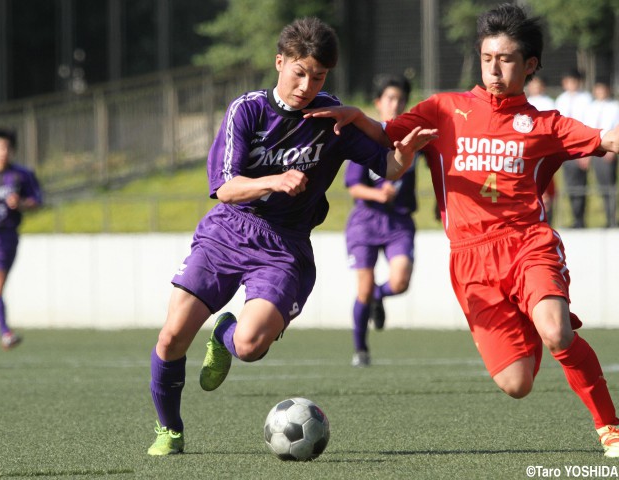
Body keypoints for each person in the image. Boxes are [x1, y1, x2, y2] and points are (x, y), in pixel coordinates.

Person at [306, 3, 619, 457]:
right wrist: (354, 116)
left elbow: (606, 139)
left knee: (557, 333)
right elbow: (387, 134)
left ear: (529, 65)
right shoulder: (445, 109)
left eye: (507, 59)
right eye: (488, 57)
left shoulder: (544, 125)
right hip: (471, 261)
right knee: (516, 384)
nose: (494, 68)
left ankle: (609, 427)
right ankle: (536, 320)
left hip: (528, 245)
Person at [147, 17, 437, 456]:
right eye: (299, 72)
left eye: (317, 76)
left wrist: (404, 153)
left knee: (249, 345)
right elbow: (224, 187)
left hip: (283, 247)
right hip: (228, 230)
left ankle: (225, 331)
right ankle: (170, 430)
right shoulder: (247, 109)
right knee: (171, 338)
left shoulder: (330, 117)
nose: (306, 84)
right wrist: (274, 181)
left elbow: (389, 167)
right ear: (280, 62)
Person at [345, 75, 416, 367]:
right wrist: (378, 194)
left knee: (399, 282)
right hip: (365, 222)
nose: (395, 104)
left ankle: (377, 297)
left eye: (400, 99)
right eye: (390, 98)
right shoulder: (365, 139)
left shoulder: (413, 136)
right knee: (363, 287)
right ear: (378, 102)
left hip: (398, 222)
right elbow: (353, 187)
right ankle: (361, 349)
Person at [0, 128, 42, 350]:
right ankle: (5, 332)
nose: (3, 152)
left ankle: (5, 332)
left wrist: (22, 204)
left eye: (7, 148)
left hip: (9, 236)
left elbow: (37, 201)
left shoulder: (22, 175)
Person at [555, 69, 593, 228]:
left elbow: (590, 123)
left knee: (581, 184)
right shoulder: (561, 100)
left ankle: (581, 218)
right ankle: (574, 217)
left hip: (581, 142)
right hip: (565, 145)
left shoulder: (586, 99)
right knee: (569, 183)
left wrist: (587, 152)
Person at [583, 81, 619, 228]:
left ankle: (611, 218)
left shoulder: (614, 106)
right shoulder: (590, 108)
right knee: (597, 186)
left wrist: (612, 150)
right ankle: (601, 218)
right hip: (593, 148)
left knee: (609, 185)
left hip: (608, 150)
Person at [526, 76, 558, 225]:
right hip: (528, 147)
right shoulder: (524, 103)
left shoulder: (549, 104)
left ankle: (547, 213)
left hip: (545, 146)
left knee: (545, 177)